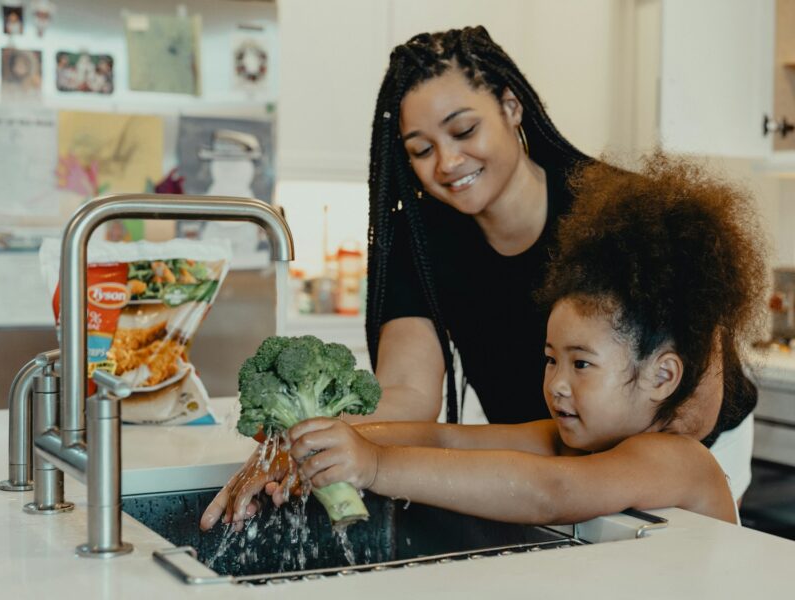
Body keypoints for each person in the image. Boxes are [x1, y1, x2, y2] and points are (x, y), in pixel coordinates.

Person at [200, 26, 759, 531]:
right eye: (421, 149)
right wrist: (317, 442)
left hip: (671, 441)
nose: (446, 162)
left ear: (511, 107)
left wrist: (373, 461)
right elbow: (421, 407)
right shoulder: (422, 239)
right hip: (566, 441)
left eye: (464, 130)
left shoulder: (620, 216)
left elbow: (572, 480)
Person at [283, 155, 766, 525]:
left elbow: (549, 492)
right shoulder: (580, 442)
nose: (556, 383)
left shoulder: (675, 458)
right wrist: (330, 440)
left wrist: (372, 465)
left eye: (581, 364)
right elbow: (449, 439)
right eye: (551, 360)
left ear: (662, 375)